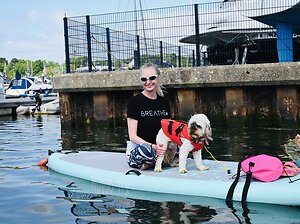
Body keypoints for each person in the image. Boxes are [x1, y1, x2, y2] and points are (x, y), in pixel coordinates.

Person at [126, 63, 171, 170]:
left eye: (152, 78)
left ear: (158, 78)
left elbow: (168, 130)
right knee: (147, 151)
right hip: (143, 148)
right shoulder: (134, 102)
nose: (148, 82)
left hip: (160, 147)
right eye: (144, 79)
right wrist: (152, 146)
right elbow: (133, 137)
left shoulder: (164, 102)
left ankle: (157, 160)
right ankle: (150, 161)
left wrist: (166, 147)